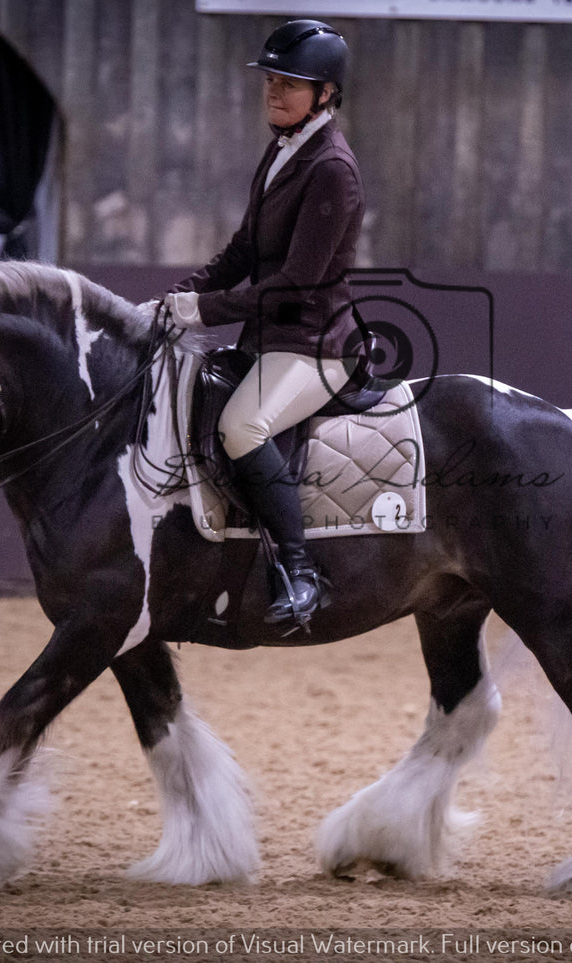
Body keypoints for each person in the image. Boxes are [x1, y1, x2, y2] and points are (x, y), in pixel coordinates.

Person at [153, 20, 364, 627]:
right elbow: (245, 250)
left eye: (289, 84)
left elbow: (296, 282)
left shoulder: (332, 169)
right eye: (271, 80)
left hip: (318, 344)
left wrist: (207, 311)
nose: (273, 92)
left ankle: (301, 574)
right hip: (273, 337)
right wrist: (182, 294)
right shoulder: (281, 149)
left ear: (325, 93)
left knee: (242, 427)